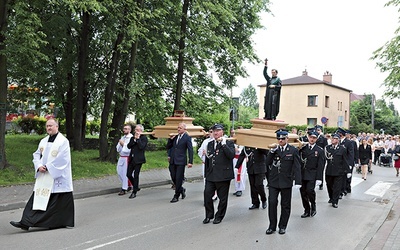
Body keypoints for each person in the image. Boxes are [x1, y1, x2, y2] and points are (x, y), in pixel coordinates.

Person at [10, 118, 74, 230]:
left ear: (56, 127)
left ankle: (57, 222)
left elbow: (63, 159)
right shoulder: (43, 141)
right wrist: (39, 166)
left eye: (51, 125)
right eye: (47, 126)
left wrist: (48, 167)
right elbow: (36, 155)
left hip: (56, 176)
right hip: (44, 175)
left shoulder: (63, 141)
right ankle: (25, 222)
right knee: (37, 198)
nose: (49, 128)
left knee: (56, 201)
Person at [265, 129, 301, 235]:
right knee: (272, 202)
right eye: (278, 138)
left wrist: (298, 181)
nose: (280, 140)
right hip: (274, 181)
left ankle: (282, 226)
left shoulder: (293, 150)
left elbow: (297, 166)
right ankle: (272, 226)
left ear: (287, 139)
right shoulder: (274, 149)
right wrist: (271, 152)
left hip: (286, 181)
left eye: (282, 138)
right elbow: (267, 163)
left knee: (285, 204)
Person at [203, 124, 235, 224]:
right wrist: (206, 174)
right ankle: (209, 215)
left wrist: (224, 144)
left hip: (223, 175)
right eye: (214, 131)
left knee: (222, 198)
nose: (215, 133)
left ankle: (219, 216)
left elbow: (231, 156)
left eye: (218, 131)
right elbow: (208, 159)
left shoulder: (229, 142)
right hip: (211, 175)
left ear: (222, 132)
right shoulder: (210, 143)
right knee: (207, 195)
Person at [298, 129, 324, 218]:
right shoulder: (303, 148)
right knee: (303, 192)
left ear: (316, 139)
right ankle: (306, 209)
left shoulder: (319, 150)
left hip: (312, 174)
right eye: (310, 137)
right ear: (308, 137)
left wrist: (319, 178)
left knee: (310, 191)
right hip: (303, 173)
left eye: (314, 138)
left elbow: (320, 166)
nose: (312, 139)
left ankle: (313, 205)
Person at [167, 123, 193, 203]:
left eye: (180, 128)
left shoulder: (187, 137)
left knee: (178, 178)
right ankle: (181, 189)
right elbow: (168, 147)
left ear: (185, 129)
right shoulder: (175, 137)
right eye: (178, 128)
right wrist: (170, 139)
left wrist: (190, 161)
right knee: (173, 176)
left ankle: (176, 195)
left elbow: (190, 150)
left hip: (181, 161)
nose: (178, 129)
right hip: (173, 160)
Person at [325, 133, 349, 208]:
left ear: (338, 140)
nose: (332, 140)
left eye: (335, 138)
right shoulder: (327, 148)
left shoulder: (342, 149)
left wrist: (348, 170)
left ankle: (335, 201)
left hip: (338, 171)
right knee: (329, 185)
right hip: (329, 170)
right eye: (332, 138)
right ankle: (331, 197)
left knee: (337, 187)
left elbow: (345, 160)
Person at [126, 124, 148, 199]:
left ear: (141, 131)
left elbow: (141, 147)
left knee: (136, 175)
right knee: (128, 174)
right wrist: (134, 140)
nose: (136, 131)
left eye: (138, 130)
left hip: (139, 160)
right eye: (135, 130)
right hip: (131, 159)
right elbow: (129, 146)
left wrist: (138, 139)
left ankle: (134, 191)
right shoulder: (132, 137)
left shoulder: (144, 138)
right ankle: (136, 186)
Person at [198, 127, 218, 201]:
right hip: (205, 164)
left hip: (213, 165)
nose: (211, 133)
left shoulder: (218, 141)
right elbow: (200, 150)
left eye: (212, 132)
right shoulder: (205, 141)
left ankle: (214, 194)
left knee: (214, 180)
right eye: (210, 132)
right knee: (206, 180)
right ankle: (209, 196)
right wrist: (202, 153)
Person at [116, 124, 133, 195]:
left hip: (127, 157)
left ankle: (124, 188)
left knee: (125, 173)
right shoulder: (123, 137)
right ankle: (129, 184)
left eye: (126, 129)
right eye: (124, 128)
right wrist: (120, 144)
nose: (124, 130)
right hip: (121, 157)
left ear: (129, 130)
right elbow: (118, 148)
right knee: (119, 172)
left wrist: (123, 144)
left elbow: (129, 149)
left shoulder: (131, 137)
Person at [337, 128, 354, 197]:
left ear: (342, 134)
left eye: (339, 133)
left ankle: (341, 191)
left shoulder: (348, 142)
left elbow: (351, 154)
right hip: (338, 163)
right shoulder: (338, 141)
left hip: (345, 163)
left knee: (343, 178)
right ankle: (339, 191)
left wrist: (350, 164)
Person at [315, 125, 328, 190]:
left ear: (320, 131)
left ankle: (321, 184)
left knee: (320, 170)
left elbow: (325, 148)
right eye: (316, 130)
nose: (317, 131)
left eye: (318, 130)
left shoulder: (323, 138)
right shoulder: (314, 137)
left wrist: (325, 157)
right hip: (314, 157)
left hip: (321, 157)